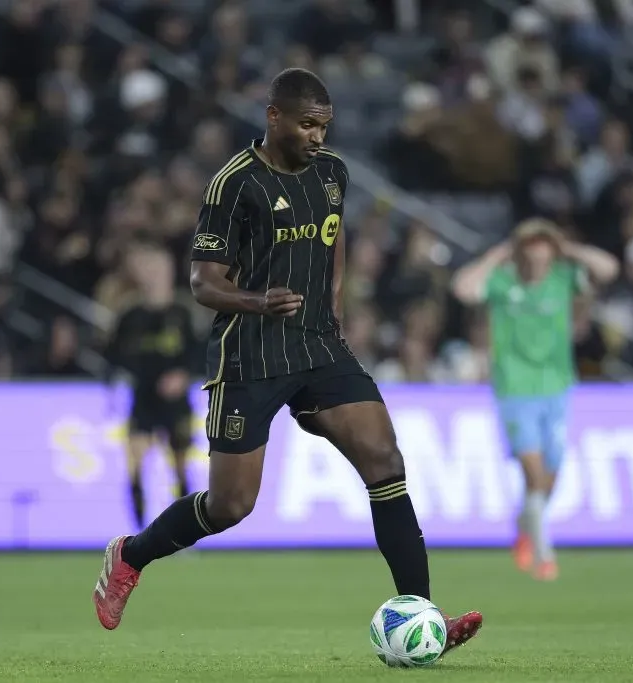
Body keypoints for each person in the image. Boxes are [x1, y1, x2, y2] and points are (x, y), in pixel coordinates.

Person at [93, 67, 483, 652]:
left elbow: (335, 232)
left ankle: (423, 616)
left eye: (324, 126)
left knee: (384, 460)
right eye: (307, 125)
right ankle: (131, 555)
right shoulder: (234, 184)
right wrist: (258, 300)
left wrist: (334, 303)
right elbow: (202, 281)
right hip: (249, 354)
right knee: (232, 505)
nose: (318, 136)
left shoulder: (332, 173)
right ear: (273, 116)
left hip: (319, 345)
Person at [452, 219, 619, 581]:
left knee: (549, 473)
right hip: (514, 388)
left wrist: (570, 249)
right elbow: (463, 289)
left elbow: (609, 268)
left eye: (544, 245)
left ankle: (525, 524)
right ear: (521, 249)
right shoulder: (502, 281)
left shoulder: (563, 277)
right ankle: (545, 554)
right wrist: (495, 255)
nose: (538, 253)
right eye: (531, 245)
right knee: (533, 469)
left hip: (557, 386)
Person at [102, 243, 198, 531]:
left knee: (180, 466)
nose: (152, 275)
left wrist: (183, 375)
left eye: (158, 269)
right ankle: (139, 533)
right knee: (135, 466)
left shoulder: (184, 311)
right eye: (147, 269)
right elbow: (112, 353)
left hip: (175, 402)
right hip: (142, 399)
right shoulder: (129, 315)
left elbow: (201, 350)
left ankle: (184, 533)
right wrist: (117, 381)